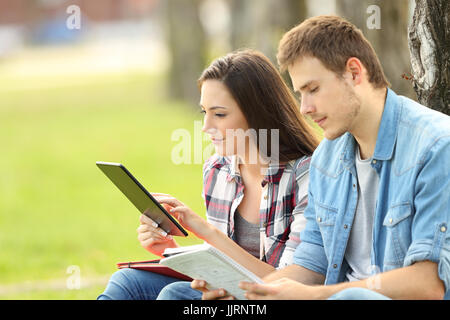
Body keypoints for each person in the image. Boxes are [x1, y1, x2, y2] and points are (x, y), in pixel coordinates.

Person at [238, 15, 450, 300]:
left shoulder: (436, 145)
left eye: (313, 90)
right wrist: (248, 293)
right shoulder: (327, 156)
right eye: (300, 93)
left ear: (354, 72)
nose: (304, 109)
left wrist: (320, 295)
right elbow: (311, 262)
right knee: (182, 293)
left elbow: (429, 284)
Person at [97, 49, 320, 300]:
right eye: (205, 112)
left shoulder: (306, 174)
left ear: (258, 113)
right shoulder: (217, 169)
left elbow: (289, 283)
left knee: (174, 295)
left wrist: (204, 230)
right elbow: (220, 268)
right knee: (126, 281)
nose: (206, 127)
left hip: (271, 296)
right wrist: (169, 250)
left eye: (220, 114)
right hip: (229, 291)